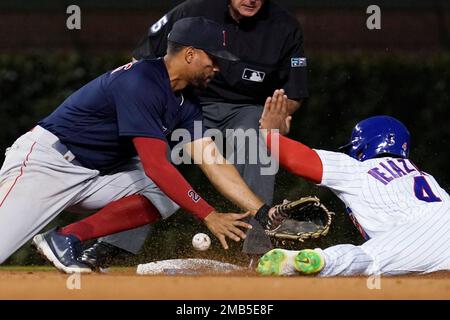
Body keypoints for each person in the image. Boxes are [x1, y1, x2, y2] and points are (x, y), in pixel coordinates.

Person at [0, 17, 272, 274]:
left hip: (95, 177)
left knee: (163, 195)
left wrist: (264, 213)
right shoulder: (140, 82)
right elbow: (156, 165)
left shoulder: (186, 101)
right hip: (48, 165)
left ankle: (67, 238)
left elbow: (211, 159)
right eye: (214, 58)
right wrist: (209, 214)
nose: (218, 67)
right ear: (190, 54)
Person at [81, 0, 309, 268]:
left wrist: (278, 116)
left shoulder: (285, 26)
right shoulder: (191, 10)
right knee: (150, 153)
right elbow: (141, 60)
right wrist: (151, 105)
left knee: (258, 145)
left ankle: (259, 251)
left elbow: (293, 94)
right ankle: (113, 245)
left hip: (246, 110)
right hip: (188, 101)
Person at [255, 95, 450, 276]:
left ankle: (315, 260)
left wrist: (269, 133)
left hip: (417, 232)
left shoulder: (359, 169)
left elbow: (299, 160)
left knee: (369, 259)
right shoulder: (423, 175)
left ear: (362, 147)